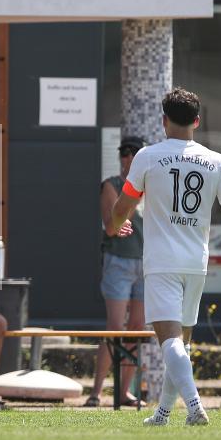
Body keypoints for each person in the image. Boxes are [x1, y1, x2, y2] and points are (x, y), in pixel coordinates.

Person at [108, 87, 221, 427]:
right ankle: (162, 414)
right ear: (197, 121)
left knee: (170, 341)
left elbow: (123, 206)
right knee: (182, 343)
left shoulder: (147, 156)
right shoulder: (215, 160)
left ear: (164, 121)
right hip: (196, 263)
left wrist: (114, 226)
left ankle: (194, 406)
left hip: (162, 262)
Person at [85, 136, 147, 408]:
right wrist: (133, 196)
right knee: (114, 328)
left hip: (146, 262)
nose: (129, 157)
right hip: (118, 262)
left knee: (137, 329)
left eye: (135, 152)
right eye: (124, 152)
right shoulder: (111, 185)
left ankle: (123, 392)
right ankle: (97, 392)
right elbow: (112, 227)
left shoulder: (153, 185)